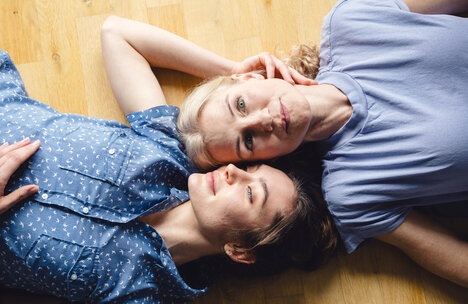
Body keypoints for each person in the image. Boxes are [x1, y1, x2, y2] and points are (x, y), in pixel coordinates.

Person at [0, 1, 337, 304]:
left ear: (240, 251)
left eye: (251, 193)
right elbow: (118, 34)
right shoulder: (171, 149)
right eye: (247, 168)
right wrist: (233, 73)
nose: (230, 171)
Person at [172, 0, 468, 287]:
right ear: (268, 162)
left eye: (240, 104)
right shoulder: (352, 193)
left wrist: (229, 66)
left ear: (249, 77)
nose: (262, 121)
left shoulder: (352, 22)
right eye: (248, 141)